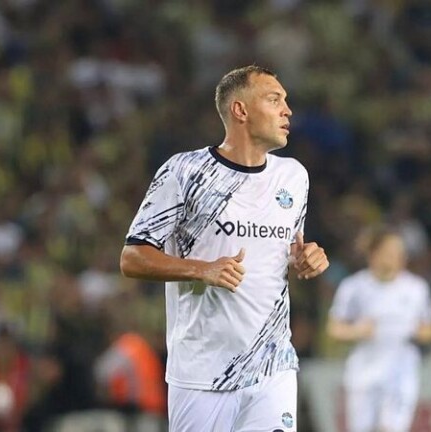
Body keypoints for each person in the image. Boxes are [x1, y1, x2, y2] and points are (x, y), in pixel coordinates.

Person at [120, 65, 329, 432]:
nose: (288, 110)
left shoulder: (294, 177)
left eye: (285, 101)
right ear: (240, 110)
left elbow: (285, 250)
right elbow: (132, 257)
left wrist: (306, 258)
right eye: (274, 100)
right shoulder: (185, 172)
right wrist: (202, 269)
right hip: (203, 372)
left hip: (273, 365)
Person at [327, 226, 431, 432]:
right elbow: (334, 329)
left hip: (401, 367)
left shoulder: (416, 288)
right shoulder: (354, 287)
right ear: (373, 254)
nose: (396, 258)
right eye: (389, 252)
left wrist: (416, 331)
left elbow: (430, 329)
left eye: (400, 253)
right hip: (364, 369)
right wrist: (357, 331)